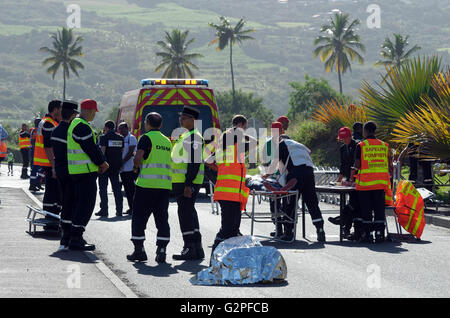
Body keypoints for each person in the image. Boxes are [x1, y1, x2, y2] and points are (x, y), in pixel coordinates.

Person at [127, 112, 172, 263]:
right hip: (164, 187)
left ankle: (139, 250)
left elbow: (138, 157)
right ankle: (162, 250)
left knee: (139, 218)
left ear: (147, 123)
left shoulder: (145, 138)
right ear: (161, 125)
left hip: (146, 186)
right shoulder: (167, 141)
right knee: (162, 220)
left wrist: (135, 166)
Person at [67, 99, 109, 251]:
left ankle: (75, 236)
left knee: (80, 205)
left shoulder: (75, 124)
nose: (94, 115)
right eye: (93, 112)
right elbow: (91, 148)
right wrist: (102, 163)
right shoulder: (82, 126)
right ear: (89, 110)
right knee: (85, 206)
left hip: (78, 172)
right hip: (85, 172)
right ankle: (76, 238)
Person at [208, 115, 252, 258]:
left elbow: (208, 160)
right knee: (227, 229)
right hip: (228, 195)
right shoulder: (231, 150)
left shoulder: (226, 151)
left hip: (233, 195)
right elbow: (255, 142)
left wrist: (217, 168)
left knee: (233, 229)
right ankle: (215, 256)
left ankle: (227, 257)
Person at [274, 132, 326, 242]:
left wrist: (268, 176)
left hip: (296, 174)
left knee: (291, 201)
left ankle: (289, 233)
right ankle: (320, 229)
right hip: (309, 172)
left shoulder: (282, 144)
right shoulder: (298, 145)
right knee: (312, 202)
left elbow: (274, 164)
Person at [171, 106, 205, 261]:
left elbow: (194, 162)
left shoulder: (194, 137)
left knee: (185, 214)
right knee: (189, 212)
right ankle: (197, 248)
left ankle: (189, 247)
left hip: (187, 182)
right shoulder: (188, 136)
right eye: (181, 117)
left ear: (193, 120)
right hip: (183, 181)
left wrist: (188, 184)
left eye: (184, 117)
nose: (181, 120)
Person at [354, 121, 392, 243]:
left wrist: (354, 168)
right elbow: (388, 163)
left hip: (365, 184)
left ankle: (368, 235)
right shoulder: (384, 146)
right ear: (374, 131)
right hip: (380, 184)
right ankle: (380, 234)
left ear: (365, 131)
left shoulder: (361, 145)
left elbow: (358, 164)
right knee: (379, 210)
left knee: (367, 211)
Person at [51, 101, 79, 251]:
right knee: (72, 204)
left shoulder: (56, 131)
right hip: (72, 171)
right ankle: (69, 236)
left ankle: (65, 235)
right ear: (73, 115)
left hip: (60, 170)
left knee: (65, 202)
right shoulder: (71, 131)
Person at [328, 127, 363, 240]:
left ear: (350, 136)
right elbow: (343, 166)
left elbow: (357, 163)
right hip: (349, 179)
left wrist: (352, 179)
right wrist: (339, 181)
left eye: (345, 138)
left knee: (354, 204)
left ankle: (342, 221)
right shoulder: (343, 148)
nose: (344, 140)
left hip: (359, 179)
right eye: (342, 139)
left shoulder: (358, 145)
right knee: (352, 204)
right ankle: (344, 224)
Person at [34, 100, 62, 220]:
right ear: (55, 109)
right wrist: (54, 165)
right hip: (49, 162)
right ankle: (50, 216)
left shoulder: (50, 122)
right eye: (61, 108)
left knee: (53, 189)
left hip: (48, 161)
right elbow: (48, 146)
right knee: (52, 190)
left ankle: (52, 215)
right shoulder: (49, 123)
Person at [96, 120, 124, 218]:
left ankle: (104, 211)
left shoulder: (104, 137)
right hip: (116, 166)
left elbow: (102, 151)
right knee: (117, 189)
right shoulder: (120, 138)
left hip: (105, 166)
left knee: (103, 189)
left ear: (107, 128)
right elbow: (122, 151)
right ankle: (119, 211)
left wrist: (100, 165)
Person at [118, 122, 137, 215]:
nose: (121, 130)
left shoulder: (131, 138)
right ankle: (131, 208)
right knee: (127, 190)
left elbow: (130, 152)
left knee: (131, 189)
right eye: (119, 128)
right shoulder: (120, 138)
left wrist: (122, 162)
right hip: (122, 169)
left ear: (127, 128)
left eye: (122, 128)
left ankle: (134, 208)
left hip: (129, 168)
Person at [29, 118, 44, 191]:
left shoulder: (33, 130)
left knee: (39, 168)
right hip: (37, 152)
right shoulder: (36, 130)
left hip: (35, 152)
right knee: (36, 168)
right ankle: (33, 184)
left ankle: (37, 183)